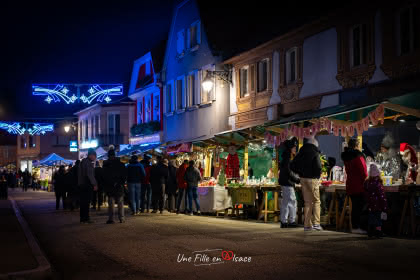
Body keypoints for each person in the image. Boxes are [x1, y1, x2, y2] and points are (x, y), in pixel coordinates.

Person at [291, 137, 322, 232]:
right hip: (312, 179)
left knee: (307, 202)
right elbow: (318, 166)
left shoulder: (301, 152)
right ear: (315, 144)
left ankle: (307, 225)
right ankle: (316, 223)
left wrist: (300, 173)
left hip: (303, 179)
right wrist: (317, 176)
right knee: (316, 201)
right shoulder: (315, 152)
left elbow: (292, 165)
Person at [341, 138, 368, 234]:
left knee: (355, 207)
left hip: (350, 184)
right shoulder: (358, 156)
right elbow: (363, 172)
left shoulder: (346, 156)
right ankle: (357, 227)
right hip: (359, 185)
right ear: (357, 146)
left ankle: (355, 227)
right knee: (359, 207)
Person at [279, 137, 300, 228]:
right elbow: (288, 171)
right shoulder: (287, 157)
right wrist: (297, 179)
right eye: (294, 147)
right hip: (287, 182)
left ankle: (284, 221)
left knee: (286, 202)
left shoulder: (286, 156)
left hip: (285, 182)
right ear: (290, 148)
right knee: (292, 201)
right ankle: (291, 221)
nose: (295, 149)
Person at [103, 148, 127, 224]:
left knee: (111, 203)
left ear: (108, 156)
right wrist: (120, 182)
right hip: (119, 186)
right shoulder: (121, 164)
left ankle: (111, 219)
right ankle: (122, 218)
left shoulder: (106, 165)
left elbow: (104, 176)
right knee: (120, 203)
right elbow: (124, 176)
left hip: (110, 186)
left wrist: (109, 183)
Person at [364, 164, 387, 238]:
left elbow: (366, 194)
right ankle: (378, 232)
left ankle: (370, 232)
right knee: (378, 220)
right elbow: (381, 196)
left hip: (370, 205)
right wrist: (384, 206)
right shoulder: (378, 184)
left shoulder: (367, 183)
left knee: (371, 218)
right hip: (378, 205)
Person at [78, 149, 98, 224]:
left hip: (82, 185)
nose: (95, 158)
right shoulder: (88, 163)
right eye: (94, 156)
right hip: (87, 185)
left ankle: (82, 219)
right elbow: (90, 175)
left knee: (83, 203)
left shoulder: (82, 162)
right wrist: (95, 184)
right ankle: (86, 218)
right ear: (91, 155)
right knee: (86, 203)